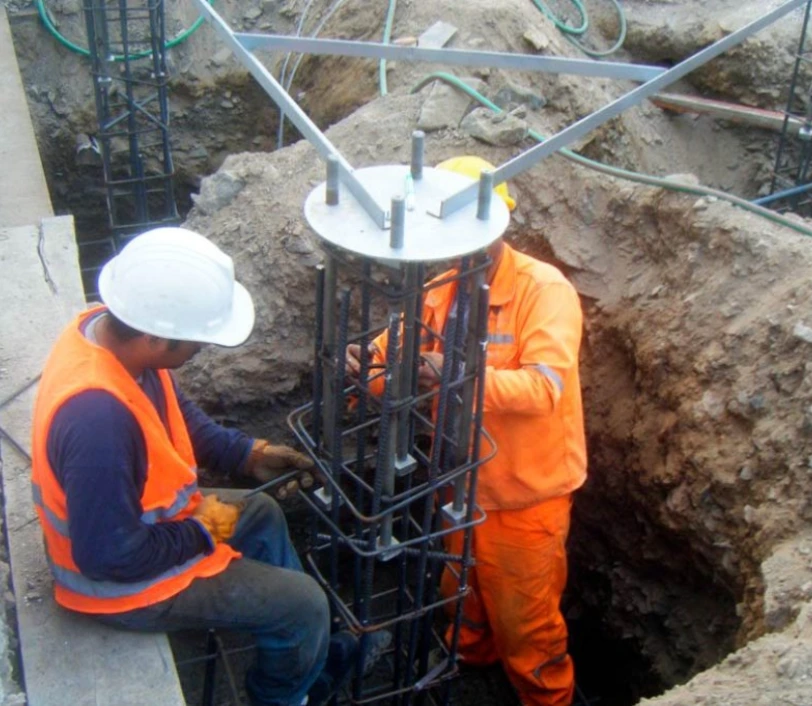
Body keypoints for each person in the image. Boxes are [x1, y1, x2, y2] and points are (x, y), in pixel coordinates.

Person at [31, 227, 357, 706]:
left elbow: (174, 413)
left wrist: (245, 453)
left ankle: (315, 650)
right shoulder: (97, 420)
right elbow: (107, 557)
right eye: (195, 343)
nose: (201, 351)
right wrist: (204, 530)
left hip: (144, 531)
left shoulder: (111, 332)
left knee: (262, 513)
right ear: (155, 337)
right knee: (302, 605)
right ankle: (284, 695)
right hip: (119, 585)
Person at [346, 156, 587, 706]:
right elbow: (396, 361)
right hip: (458, 480)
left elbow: (543, 390)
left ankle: (547, 698)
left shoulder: (543, 291)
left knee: (526, 625)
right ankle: (471, 668)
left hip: (524, 496)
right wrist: (369, 367)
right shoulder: (440, 288)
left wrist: (455, 377)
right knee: (461, 594)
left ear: (498, 223)